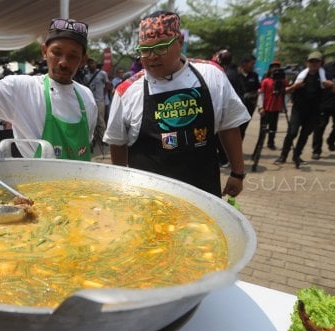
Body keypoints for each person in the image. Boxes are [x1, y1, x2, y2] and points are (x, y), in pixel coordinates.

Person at [103, 11, 249, 197]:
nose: (152, 56)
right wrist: (121, 186)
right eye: (145, 50)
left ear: (180, 42)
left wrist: (237, 172)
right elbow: (117, 143)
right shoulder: (127, 91)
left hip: (202, 195)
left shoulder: (211, 75)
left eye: (161, 47)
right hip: (147, 198)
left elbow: (229, 125)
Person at [0, 18, 97, 160]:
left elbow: (86, 143)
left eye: (73, 56)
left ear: (83, 60)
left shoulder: (86, 96)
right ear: (44, 51)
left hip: (81, 184)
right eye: (56, 53)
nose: (63, 62)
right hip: (38, 182)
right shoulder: (23, 88)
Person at [274, 51, 333, 168]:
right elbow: (286, 91)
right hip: (298, 109)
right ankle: (283, 155)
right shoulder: (300, 76)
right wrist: (295, 86)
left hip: (314, 111)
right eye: (311, 61)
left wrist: (332, 85)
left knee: (305, 134)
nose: (314, 64)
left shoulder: (325, 77)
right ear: (307, 62)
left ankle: (297, 155)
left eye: (316, 61)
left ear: (321, 63)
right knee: (292, 132)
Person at [258, 61, 287, 150]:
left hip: (276, 108)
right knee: (263, 127)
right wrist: (260, 107)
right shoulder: (266, 81)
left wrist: (283, 106)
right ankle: (260, 143)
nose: (275, 69)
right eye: (273, 67)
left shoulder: (284, 81)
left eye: (277, 67)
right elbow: (261, 94)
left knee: (273, 127)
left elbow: (285, 94)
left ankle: (271, 143)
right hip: (266, 108)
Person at [83, 58, 111, 146]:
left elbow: (107, 83)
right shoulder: (86, 76)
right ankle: (93, 139)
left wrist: (104, 93)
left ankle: (104, 138)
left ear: (95, 63)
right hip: (91, 101)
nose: (91, 65)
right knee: (91, 119)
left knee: (100, 120)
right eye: (89, 63)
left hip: (100, 100)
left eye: (92, 63)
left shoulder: (102, 73)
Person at [238, 55, 260, 139]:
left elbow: (257, 90)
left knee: (243, 129)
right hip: (237, 107)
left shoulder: (254, 76)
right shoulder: (236, 75)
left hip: (249, 107)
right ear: (244, 64)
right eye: (252, 64)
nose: (253, 66)